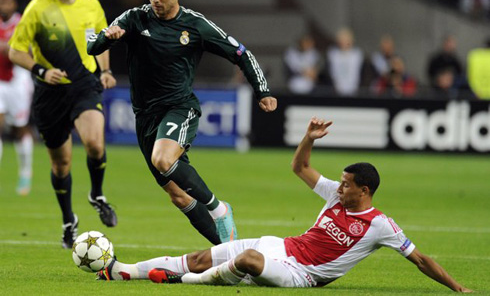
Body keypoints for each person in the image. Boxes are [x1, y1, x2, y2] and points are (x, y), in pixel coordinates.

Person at [96, 118, 472, 293]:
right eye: (339, 183)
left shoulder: (379, 226)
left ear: (365, 190)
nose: (338, 187)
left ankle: (182, 282)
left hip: (303, 275)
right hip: (282, 247)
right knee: (201, 255)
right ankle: (122, 270)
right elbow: (300, 166)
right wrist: (309, 138)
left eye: (346, 184)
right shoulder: (334, 196)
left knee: (247, 263)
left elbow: (420, 259)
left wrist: (457, 289)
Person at [87, 0, 277, 245]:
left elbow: (241, 53)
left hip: (179, 107)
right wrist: (107, 38)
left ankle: (219, 209)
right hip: (145, 117)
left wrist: (262, 91)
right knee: (178, 195)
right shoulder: (135, 18)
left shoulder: (196, 25)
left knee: (163, 159)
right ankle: (231, 252)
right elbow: (93, 47)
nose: (155, 0)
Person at [8, 0, 118, 248]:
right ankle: (69, 219)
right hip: (50, 92)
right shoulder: (38, 9)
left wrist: (106, 70)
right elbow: (15, 51)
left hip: (84, 85)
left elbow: (101, 40)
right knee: (62, 165)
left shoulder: (91, 4)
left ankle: (97, 194)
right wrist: (41, 70)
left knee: (95, 144)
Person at [0, 0, 34, 195]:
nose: (3, 5)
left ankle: (25, 172)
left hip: (18, 82)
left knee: (19, 129)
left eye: (6, 2)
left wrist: (9, 48)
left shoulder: (23, 23)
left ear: (14, 4)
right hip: (0, 81)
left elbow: (30, 50)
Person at [326, 28, 364, 96]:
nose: (344, 42)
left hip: (353, 91)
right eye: (342, 40)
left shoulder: (357, 55)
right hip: (337, 91)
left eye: (346, 40)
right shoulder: (333, 54)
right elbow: (332, 73)